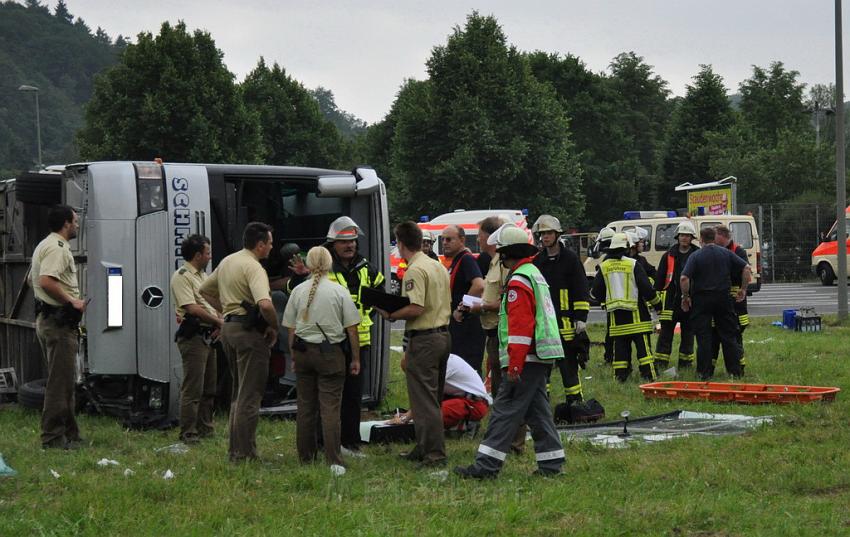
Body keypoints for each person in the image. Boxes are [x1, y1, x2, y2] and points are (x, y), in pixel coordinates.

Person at [454, 225, 565, 479]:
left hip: (524, 359)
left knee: (504, 410)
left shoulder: (518, 282)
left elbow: (520, 328)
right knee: (538, 412)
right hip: (539, 357)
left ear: (507, 253)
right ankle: (552, 465)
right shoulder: (533, 273)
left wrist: (514, 366)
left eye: (501, 252)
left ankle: (485, 467)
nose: (499, 257)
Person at [200, 222, 278, 462]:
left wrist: (224, 312)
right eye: (270, 243)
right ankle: (245, 453)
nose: (272, 247)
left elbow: (204, 290)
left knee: (238, 393)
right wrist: (274, 326)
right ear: (261, 244)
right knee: (250, 395)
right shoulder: (253, 267)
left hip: (229, 330)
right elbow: (264, 304)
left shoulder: (228, 261)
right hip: (248, 333)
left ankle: (235, 450)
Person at [376, 221, 451, 468]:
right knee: (433, 397)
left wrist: (391, 313)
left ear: (400, 243)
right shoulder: (436, 265)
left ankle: (434, 454)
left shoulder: (414, 270)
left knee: (423, 400)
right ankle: (424, 446)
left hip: (425, 339)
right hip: (442, 335)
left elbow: (416, 308)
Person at [282, 246, 361, 467]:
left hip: (303, 352)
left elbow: (291, 328)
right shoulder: (339, 291)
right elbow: (352, 329)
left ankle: (306, 458)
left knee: (306, 406)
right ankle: (333, 459)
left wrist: (294, 357)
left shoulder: (298, 291)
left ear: (308, 265)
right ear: (329, 264)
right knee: (330, 408)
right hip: (330, 354)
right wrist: (355, 358)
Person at [31, 205, 86, 450]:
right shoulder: (57, 248)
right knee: (59, 383)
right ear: (65, 223)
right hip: (58, 323)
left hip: (53, 320)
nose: (77, 224)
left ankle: (70, 434)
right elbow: (46, 280)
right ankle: (53, 438)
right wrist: (72, 301)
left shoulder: (46, 244)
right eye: (74, 221)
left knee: (65, 381)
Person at [531, 215, 590, 407]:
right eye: (542, 234)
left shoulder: (570, 259)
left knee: (569, 367)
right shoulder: (538, 261)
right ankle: (543, 405)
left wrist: (581, 318)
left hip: (566, 324)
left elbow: (580, 288)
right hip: (545, 324)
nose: (545, 237)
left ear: (557, 235)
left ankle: (575, 404)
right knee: (543, 368)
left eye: (549, 233)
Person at [170, 234, 223, 444]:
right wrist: (218, 322)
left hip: (209, 335)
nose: (210, 257)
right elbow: (191, 307)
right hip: (194, 337)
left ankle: (205, 428)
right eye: (208, 253)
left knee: (209, 387)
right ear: (198, 254)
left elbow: (213, 303)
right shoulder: (182, 276)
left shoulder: (202, 276)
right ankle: (188, 433)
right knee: (193, 388)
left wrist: (219, 319)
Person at [680, 226, 751, 380]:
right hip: (723, 299)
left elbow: (684, 278)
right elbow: (746, 268)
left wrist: (685, 296)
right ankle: (735, 372)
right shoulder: (726, 253)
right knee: (729, 335)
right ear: (714, 238)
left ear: (701, 239)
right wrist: (743, 289)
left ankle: (703, 373)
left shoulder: (695, 256)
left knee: (703, 337)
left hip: (701, 300)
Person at [591, 233, 661, 382]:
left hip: (617, 320)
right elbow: (647, 289)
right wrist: (658, 305)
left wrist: (607, 300)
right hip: (637, 318)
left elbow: (595, 292)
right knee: (644, 352)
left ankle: (621, 377)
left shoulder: (604, 267)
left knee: (620, 352)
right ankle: (649, 377)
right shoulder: (633, 264)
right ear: (628, 247)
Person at [463, 217, 509, 397]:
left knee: (504, 385)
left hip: (500, 331)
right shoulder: (491, 263)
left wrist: (482, 307)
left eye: (480, 235)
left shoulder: (503, 264)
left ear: (491, 237)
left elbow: (507, 301)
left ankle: (510, 422)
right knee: (497, 381)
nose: (477, 239)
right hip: (492, 333)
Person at [388, 354, 491, 429]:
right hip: (464, 399)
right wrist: (408, 414)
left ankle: (466, 425)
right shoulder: (436, 362)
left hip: (475, 404)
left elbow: (425, 397)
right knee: (425, 413)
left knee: (428, 416)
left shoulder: (446, 364)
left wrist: (405, 418)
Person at [654, 221, 699, 370]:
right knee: (665, 335)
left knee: (688, 334)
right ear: (677, 237)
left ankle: (685, 364)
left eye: (687, 235)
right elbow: (660, 279)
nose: (684, 238)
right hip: (670, 302)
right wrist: (657, 304)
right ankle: (661, 363)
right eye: (682, 235)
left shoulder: (697, 254)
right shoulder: (668, 256)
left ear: (692, 237)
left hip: (690, 301)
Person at [441, 225, 485, 372]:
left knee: (467, 369)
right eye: (443, 239)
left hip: (467, 327)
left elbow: (479, 285)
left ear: (462, 240)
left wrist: (461, 308)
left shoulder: (466, 259)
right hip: (459, 326)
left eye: (449, 239)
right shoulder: (457, 260)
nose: (445, 243)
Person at [711, 225, 751, 373]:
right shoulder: (717, 250)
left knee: (735, 334)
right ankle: (711, 366)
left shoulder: (738, 251)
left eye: (714, 237)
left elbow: (745, 271)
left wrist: (743, 290)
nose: (712, 241)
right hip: (720, 299)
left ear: (722, 236)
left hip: (736, 301)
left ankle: (738, 366)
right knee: (714, 335)